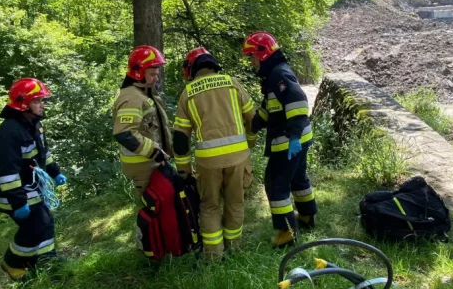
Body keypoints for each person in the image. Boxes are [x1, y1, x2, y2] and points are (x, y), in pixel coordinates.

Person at [172, 47, 257, 258]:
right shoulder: (232, 83)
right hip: (238, 158)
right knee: (235, 203)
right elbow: (253, 119)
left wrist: (184, 170)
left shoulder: (188, 93)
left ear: (192, 69)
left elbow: (181, 138)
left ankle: (214, 255)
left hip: (207, 163)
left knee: (209, 207)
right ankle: (233, 249)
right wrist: (250, 144)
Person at [243, 32, 316, 247]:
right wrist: (256, 122)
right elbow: (273, 107)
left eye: (251, 57)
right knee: (297, 179)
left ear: (262, 54)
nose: (251, 62)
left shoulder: (278, 75)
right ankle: (307, 216)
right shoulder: (274, 75)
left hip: (288, 141)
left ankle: (286, 232)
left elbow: (298, 103)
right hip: (300, 139)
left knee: (276, 184)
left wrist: (293, 136)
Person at [0, 78, 67, 280]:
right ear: (23, 103)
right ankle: (13, 264)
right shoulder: (9, 132)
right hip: (13, 193)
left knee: (45, 221)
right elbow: (7, 172)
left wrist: (55, 171)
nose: (42, 105)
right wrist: (18, 202)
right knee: (34, 225)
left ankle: (46, 260)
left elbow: (42, 154)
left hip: (31, 187)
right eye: (37, 101)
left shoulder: (34, 125)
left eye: (42, 100)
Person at [112, 46, 174, 200]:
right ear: (139, 72)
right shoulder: (132, 98)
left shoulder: (144, 92)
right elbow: (125, 134)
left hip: (152, 162)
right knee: (152, 211)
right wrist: (155, 152)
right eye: (152, 74)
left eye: (157, 74)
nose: (156, 78)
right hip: (143, 165)